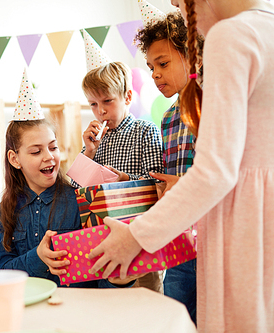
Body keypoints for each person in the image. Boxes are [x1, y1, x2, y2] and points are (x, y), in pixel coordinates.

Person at [89, 0, 274, 331]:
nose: (174, 2)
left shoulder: (230, 35)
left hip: (241, 227)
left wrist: (136, 237)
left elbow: (215, 171)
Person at [0, 118, 141, 288]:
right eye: (36, 151)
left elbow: (102, 275)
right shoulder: (6, 209)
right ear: (14, 159)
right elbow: (5, 271)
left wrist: (121, 281)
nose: (49, 156)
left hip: (78, 308)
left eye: (53, 147)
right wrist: (38, 257)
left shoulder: (82, 201)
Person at [134, 11, 204, 324]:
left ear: (192, 55)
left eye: (163, 63)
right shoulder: (167, 119)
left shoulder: (212, 102)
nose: (154, 74)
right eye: (151, 67)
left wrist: (184, 185)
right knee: (175, 318)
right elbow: (170, 177)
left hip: (210, 236)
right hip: (178, 240)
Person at [74, 62, 165, 293]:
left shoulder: (145, 130)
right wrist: (89, 152)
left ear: (127, 97)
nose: (100, 111)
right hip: (103, 243)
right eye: (93, 104)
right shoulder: (95, 142)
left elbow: (157, 184)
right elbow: (75, 190)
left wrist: (124, 178)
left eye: (107, 101)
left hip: (139, 243)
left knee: (147, 312)